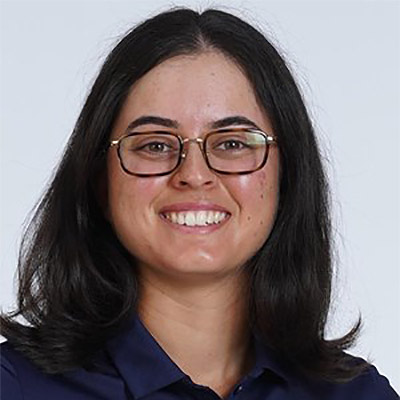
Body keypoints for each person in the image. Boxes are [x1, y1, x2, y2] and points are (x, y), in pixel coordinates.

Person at [0, 7, 398, 400]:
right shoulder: (15, 387)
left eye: (232, 143)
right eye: (155, 145)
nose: (193, 174)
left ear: (288, 176)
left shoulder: (358, 395)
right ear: (100, 180)